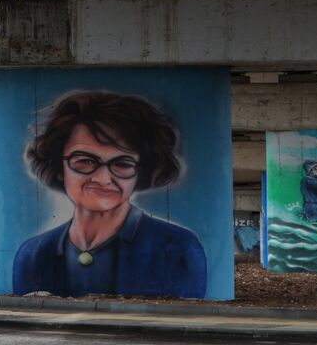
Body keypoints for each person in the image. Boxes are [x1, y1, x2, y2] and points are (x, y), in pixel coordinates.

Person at [11, 91, 207, 298]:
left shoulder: (176, 249)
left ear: (142, 171)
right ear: (59, 166)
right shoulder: (33, 255)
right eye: (85, 161)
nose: (103, 178)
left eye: (122, 164)